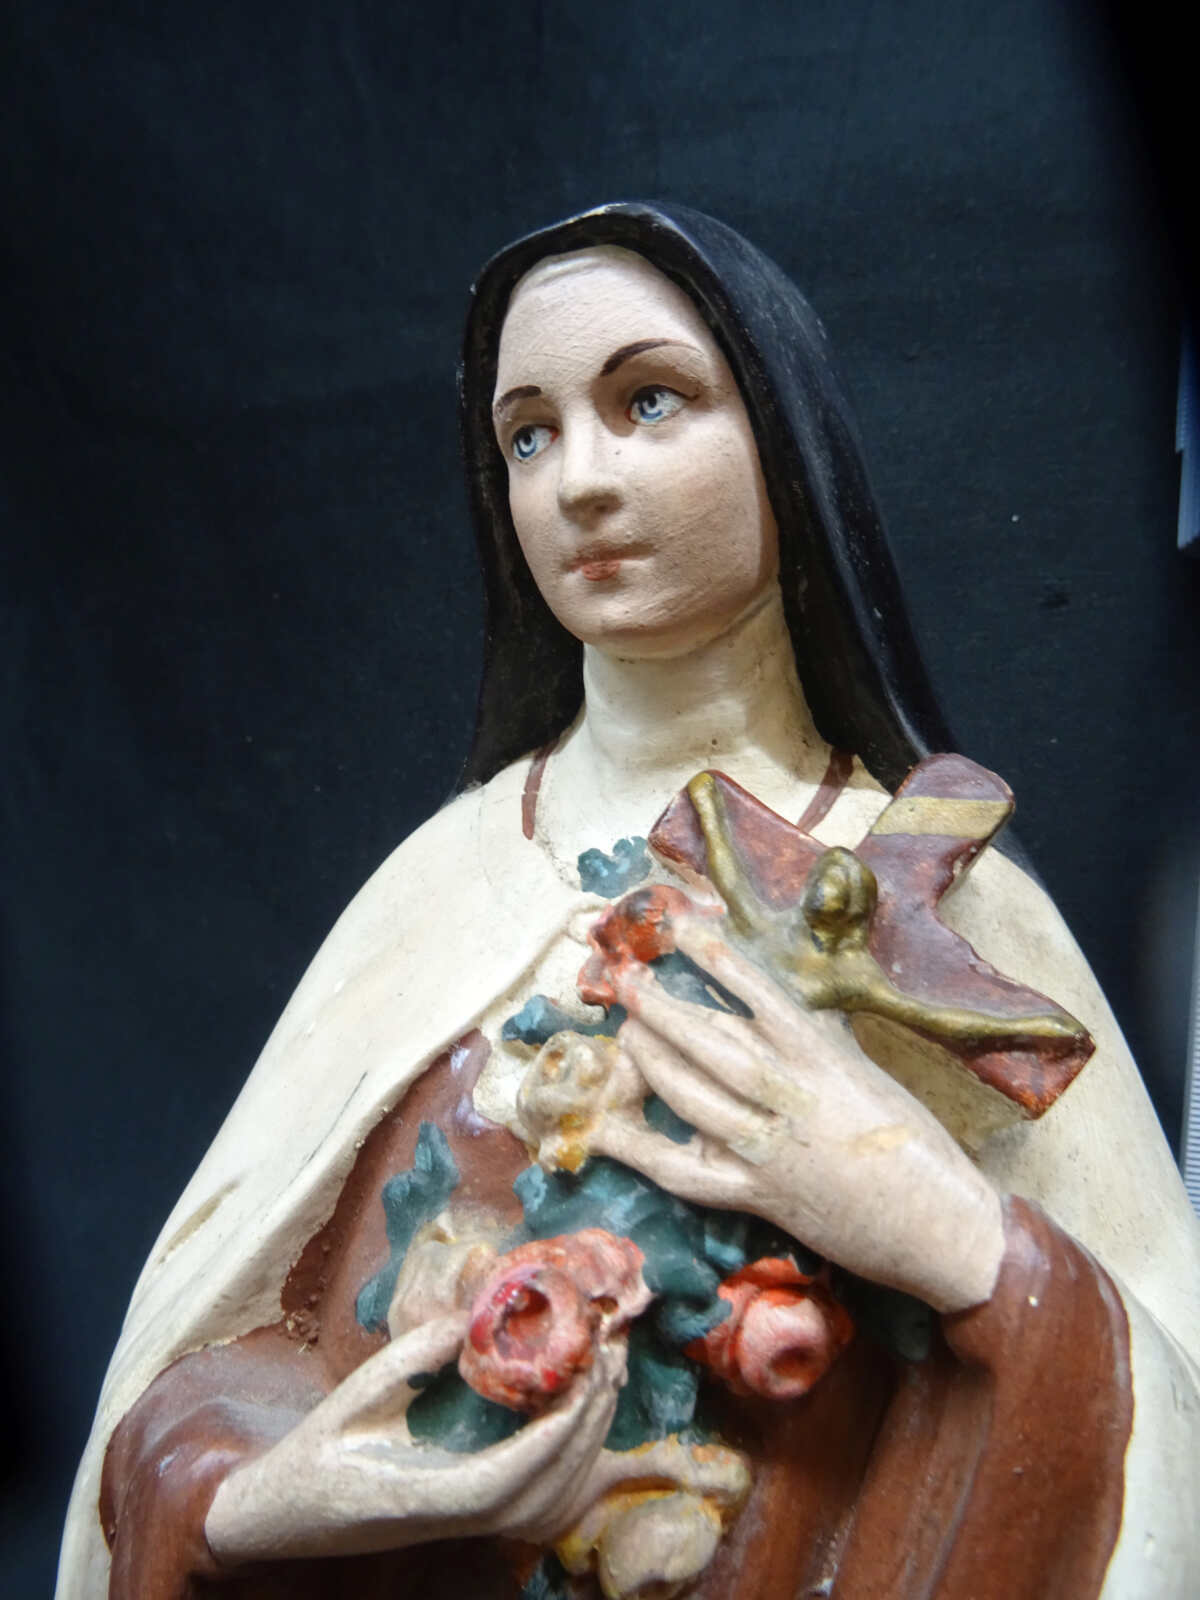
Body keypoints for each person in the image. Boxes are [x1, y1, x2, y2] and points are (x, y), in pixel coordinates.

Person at [58, 204, 1200, 1599]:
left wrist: (949, 1237)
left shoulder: (932, 896)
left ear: (782, 437)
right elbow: (200, 1358)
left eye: (649, 401)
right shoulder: (443, 886)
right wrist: (256, 1500)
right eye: (528, 435)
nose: (579, 483)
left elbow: (1171, 1403)